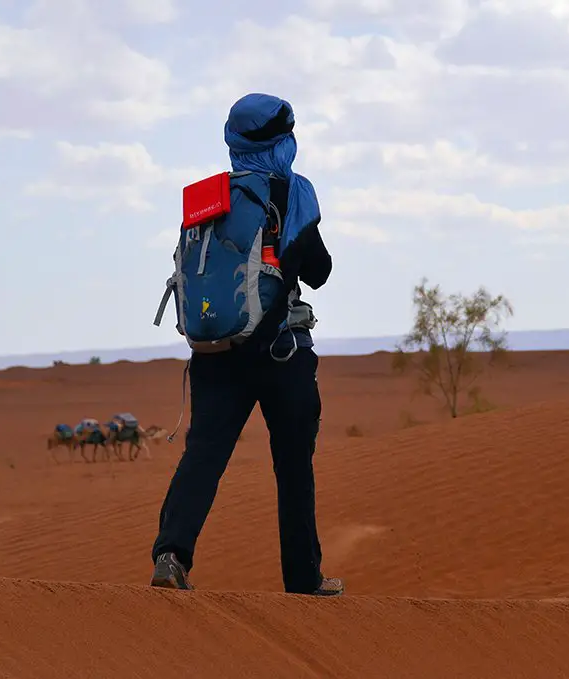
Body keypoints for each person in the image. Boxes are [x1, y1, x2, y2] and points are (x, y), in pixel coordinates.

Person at [149, 93, 343, 596]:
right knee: (293, 466)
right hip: (281, 352)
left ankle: (171, 555)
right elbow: (318, 272)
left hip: (213, 351)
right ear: (282, 142)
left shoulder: (207, 197)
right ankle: (303, 580)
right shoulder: (292, 191)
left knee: (204, 456)